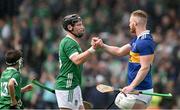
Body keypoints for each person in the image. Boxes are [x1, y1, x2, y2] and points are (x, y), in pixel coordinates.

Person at [93, 10, 155, 109]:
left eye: (130, 22)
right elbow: (119, 51)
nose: (129, 25)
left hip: (141, 91)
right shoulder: (137, 40)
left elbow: (145, 68)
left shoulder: (145, 42)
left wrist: (131, 86)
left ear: (135, 23)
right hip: (135, 90)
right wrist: (102, 45)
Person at [55, 14, 100, 109]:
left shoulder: (73, 42)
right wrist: (92, 49)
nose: (82, 27)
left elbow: (82, 59)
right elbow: (77, 60)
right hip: (67, 86)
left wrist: (93, 49)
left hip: (74, 85)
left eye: (82, 24)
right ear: (70, 27)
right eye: (79, 25)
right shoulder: (68, 42)